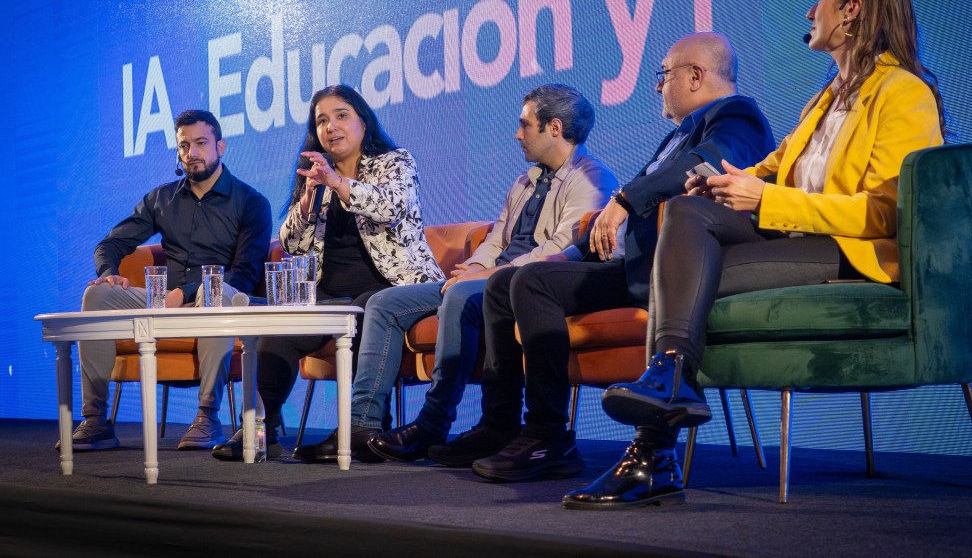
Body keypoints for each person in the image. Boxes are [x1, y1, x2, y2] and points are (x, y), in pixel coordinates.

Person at [563, 0, 947, 510]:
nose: (812, 10)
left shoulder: (902, 92)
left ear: (853, 11)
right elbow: (775, 165)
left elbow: (884, 213)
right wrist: (730, 180)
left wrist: (766, 199)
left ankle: (652, 453)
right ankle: (668, 388)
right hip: (800, 239)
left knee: (685, 281)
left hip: (853, 252)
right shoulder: (828, 97)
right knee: (689, 214)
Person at [436, 32, 775, 482]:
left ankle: (545, 435)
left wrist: (623, 199)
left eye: (664, 75)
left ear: (696, 76)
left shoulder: (737, 114)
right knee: (515, 282)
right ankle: (510, 426)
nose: (657, 86)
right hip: (640, 268)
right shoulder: (677, 134)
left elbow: (701, 166)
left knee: (524, 280)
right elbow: (627, 205)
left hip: (684, 279)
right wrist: (566, 256)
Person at [293, 84, 618, 464]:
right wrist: (477, 266)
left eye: (525, 125)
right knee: (381, 304)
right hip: (490, 277)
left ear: (555, 128)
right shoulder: (524, 183)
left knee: (460, 296)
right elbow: (497, 238)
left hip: (523, 284)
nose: (517, 134)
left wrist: (487, 274)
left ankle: (433, 421)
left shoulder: (592, 179)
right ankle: (361, 425)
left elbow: (560, 250)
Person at [212, 84, 443, 461]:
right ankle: (258, 429)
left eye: (341, 116)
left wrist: (339, 184)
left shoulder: (395, 162)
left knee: (367, 312)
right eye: (322, 121)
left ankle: (359, 429)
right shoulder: (316, 176)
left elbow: (391, 208)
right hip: (330, 294)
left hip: (392, 288)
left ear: (363, 122)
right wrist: (306, 202)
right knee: (282, 327)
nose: (331, 127)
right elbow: (290, 244)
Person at [71, 110, 272, 451]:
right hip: (165, 303)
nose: (192, 152)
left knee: (217, 292)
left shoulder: (251, 202)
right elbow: (110, 244)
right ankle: (96, 419)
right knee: (97, 298)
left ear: (220, 146)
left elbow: (245, 274)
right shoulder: (161, 199)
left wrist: (186, 292)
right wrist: (109, 275)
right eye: (184, 145)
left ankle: (208, 417)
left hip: (219, 300)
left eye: (201, 143)